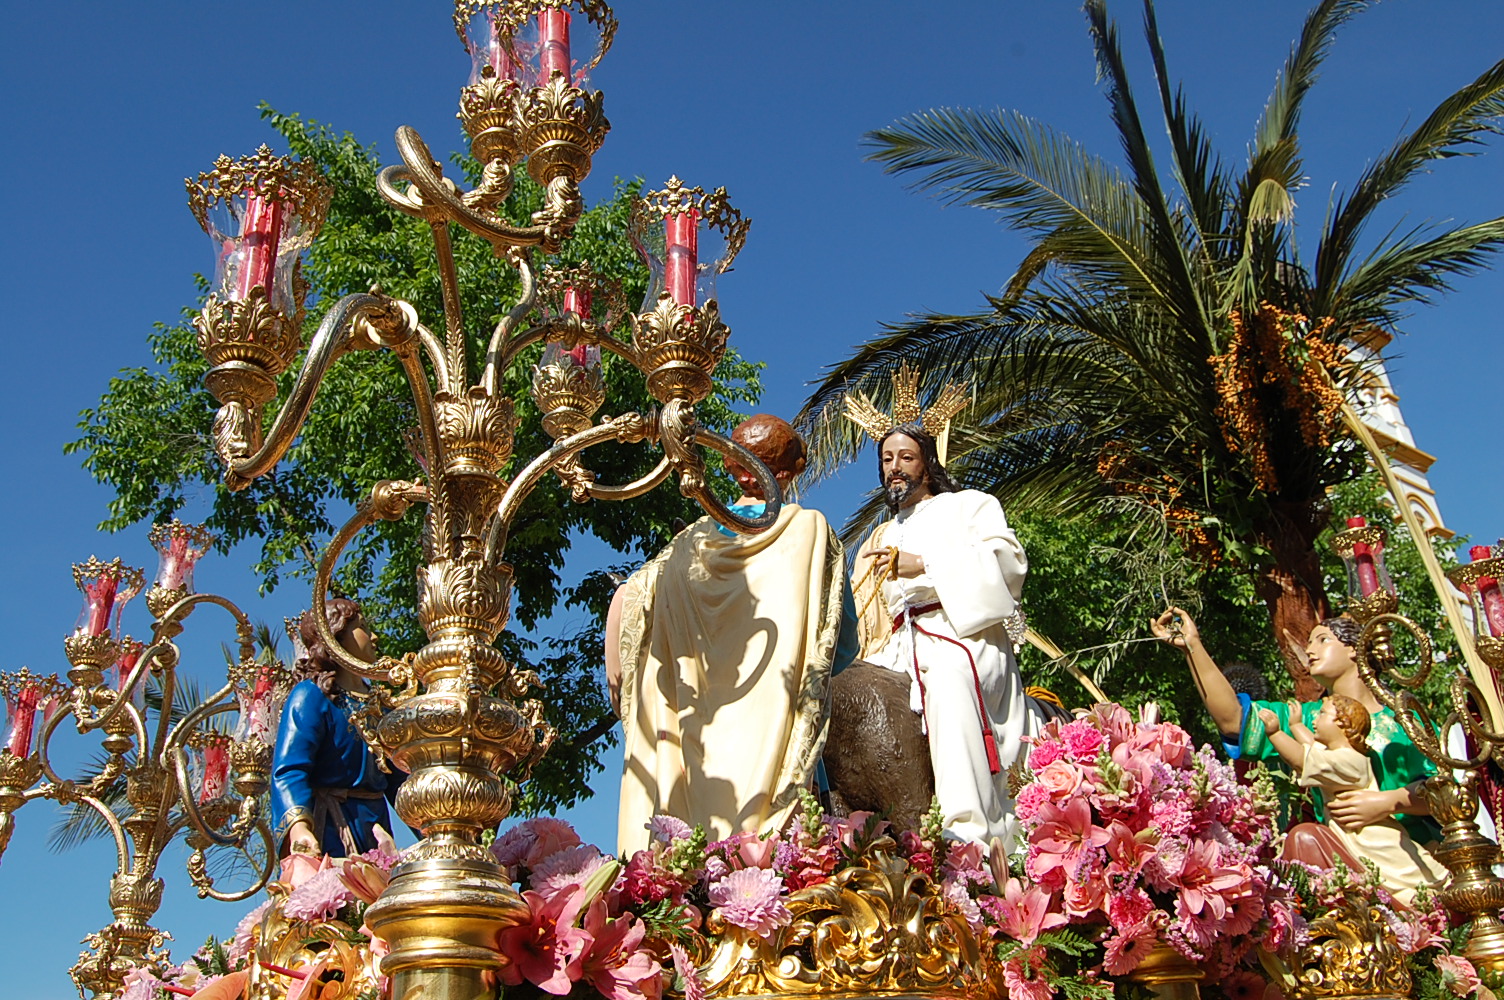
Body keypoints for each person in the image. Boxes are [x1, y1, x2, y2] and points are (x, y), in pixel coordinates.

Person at [607, 415, 856, 855]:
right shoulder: (809, 531)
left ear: (732, 467)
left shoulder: (688, 544)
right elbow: (841, 645)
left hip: (690, 751)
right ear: (786, 472)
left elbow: (631, 601)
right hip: (780, 750)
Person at [852, 423, 1037, 845]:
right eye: (886, 459)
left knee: (948, 681)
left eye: (905, 457)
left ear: (928, 464)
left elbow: (1009, 563)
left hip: (961, 634)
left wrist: (925, 563)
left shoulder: (969, 506)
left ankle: (968, 837)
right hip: (901, 643)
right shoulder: (882, 534)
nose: (894, 468)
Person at [1151, 607, 1436, 846]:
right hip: (1348, 864)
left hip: (1414, 856)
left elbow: (1449, 791)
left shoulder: (1405, 720)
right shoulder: (1308, 718)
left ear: (1355, 649)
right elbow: (1236, 720)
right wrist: (1192, 646)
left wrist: (1388, 803)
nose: (1309, 650)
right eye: (1310, 643)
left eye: (1322, 640)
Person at [1257, 693, 1446, 904]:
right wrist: (1295, 726)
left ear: (1342, 723)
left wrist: (1274, 733)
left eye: (1321, 714)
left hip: (1374, 842)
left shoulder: (1351, 761)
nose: (1314, 720)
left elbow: (1302, 760)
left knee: (1402, 887)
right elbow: (1312, 748)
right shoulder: (1334, 753)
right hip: (1356, 840)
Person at [271, 597, 402, 857]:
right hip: (330, 828)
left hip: (377, 830)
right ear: (336, 636)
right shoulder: (311, 696)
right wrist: (299, 827)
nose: (374, 637)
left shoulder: (382, 705)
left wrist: (438, 827)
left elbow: (400, 781)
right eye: (363, 627)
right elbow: (289, 770)